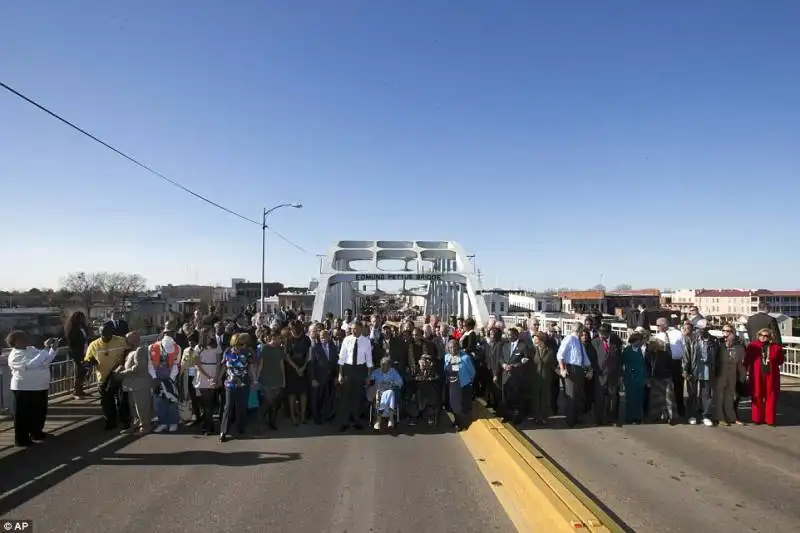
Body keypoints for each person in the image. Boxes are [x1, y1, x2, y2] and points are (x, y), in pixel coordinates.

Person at [5, 331, 58, 447]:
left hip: (40, 386)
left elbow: (46, 359)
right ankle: (21, 440)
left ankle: (36, 433)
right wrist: (45, 348)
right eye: (22, 338)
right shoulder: (15, 355)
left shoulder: (32, 349)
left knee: (39, 412)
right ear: (15, 342)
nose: (26, 339)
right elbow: (32, 364)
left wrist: (52, 349)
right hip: (24, 388)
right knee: (23, 415)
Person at [85, 322, 130, 431]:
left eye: (108, 335)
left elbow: (129, 352)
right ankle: (110, 422)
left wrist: (123, 364)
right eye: (103, 335)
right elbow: (87, 359)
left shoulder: (121, 340)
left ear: (112, 334)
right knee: (106, 401)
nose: (106, 337)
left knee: (122, 400)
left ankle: (125, 421)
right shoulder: (94, 344)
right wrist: (89, 365)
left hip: (119, 375)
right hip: (103, 377)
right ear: (100, 334)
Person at [219, 333, 258, 441]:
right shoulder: (227, 351)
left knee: (241, 407)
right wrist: (218, 378)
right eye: (240, 344)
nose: (242, 346)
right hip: (230, 383)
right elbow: (223, 366)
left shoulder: (248, 352)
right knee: (228, 406)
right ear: (234, 343)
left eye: (244, 344)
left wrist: (254, 380)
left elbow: (251, 368)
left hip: (244, 382)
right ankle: (223, 431)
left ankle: (241, 426)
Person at [744, 328, 785, 426]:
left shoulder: (776, 348)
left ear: (770, 337)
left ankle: (770, 420)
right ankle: (757, 418)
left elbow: (780, 360)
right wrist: (743, 372)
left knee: (771, 397)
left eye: (766, 336)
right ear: (758, 335)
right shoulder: (753, 346)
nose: (763, 337)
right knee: (757, 395)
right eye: (761, 335)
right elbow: (747, 360)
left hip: (771, 375)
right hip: (757, 375)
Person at [337, 322, 373, 432]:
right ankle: (345, 422)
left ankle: (357, 421)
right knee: (346, 397)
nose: (353, 331)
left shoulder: (366, 341)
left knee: (358, 397)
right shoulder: (346, 340)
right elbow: (341, 358)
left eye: (356, 329)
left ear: (361, 329)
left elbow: (369, 360)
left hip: (360, 370)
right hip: (348, 369)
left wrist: (368, 376)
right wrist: (340, 374)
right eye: (352, 329)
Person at [116, 332, 153, 434]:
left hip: (139, 384)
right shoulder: (132, 350)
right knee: (134, 408)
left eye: (128, 339)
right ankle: (136, 424)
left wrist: (123, 373)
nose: (126, 341)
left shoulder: (140, 350)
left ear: (135, 339)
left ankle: (145, 426)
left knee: (141, 407)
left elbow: (138, 368)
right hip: (132, 384)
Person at [148, 333, 181, 433]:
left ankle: (173, 422)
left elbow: (176, 364)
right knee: (158, 401)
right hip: (157, 377)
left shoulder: (177, 348)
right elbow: (150, 364)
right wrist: (154, 378)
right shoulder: (152, 348)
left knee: (172, 400)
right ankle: (162, 423)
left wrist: (170, 378)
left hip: (170, 377)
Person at [444, 338, 475, 431]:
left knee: (460, 406)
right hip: (451, 384)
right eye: (450, 347)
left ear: (457, 347)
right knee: (453, 405)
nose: (452, 349)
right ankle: (457, 421)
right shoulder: (447, 357)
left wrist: (469, 382)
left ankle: (461, 424)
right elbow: (445, 370)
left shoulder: (465, 357)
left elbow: (472, 372)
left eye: (454, 347)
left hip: (462, 385)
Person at [368, 356, 404, 430]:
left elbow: (400, 382)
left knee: (390, 391)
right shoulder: (376, 372)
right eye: (382, 365)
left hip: (391, 391)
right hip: (379, 393)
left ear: (389, 366)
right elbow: (369, 383)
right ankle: (391, 419)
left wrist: (391, 383)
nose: (383, 367)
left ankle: (378, 420)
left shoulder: (393, 371)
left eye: (386, 365)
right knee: (388, 393)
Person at [621, 332, 646, 425]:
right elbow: (622, 363)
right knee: (631, 398)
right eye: (640, 340)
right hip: (630, 378)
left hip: (640, 377)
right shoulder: (627, 350)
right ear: (635, 340)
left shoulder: (641, 350)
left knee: (639, 398)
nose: (642, 342)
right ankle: (629, 417)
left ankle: (638, 417)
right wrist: (624, 376)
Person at [64, 310, 89, 399]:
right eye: (80, 318)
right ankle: (77, 390)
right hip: (78, 353)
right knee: (80, 370)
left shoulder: (84, 327)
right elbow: (72, 341)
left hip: (86, 352)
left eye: (83, 317)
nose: (82, 319)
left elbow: (88, 337)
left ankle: (80, 389)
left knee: (84, 370)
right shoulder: (72, 329)